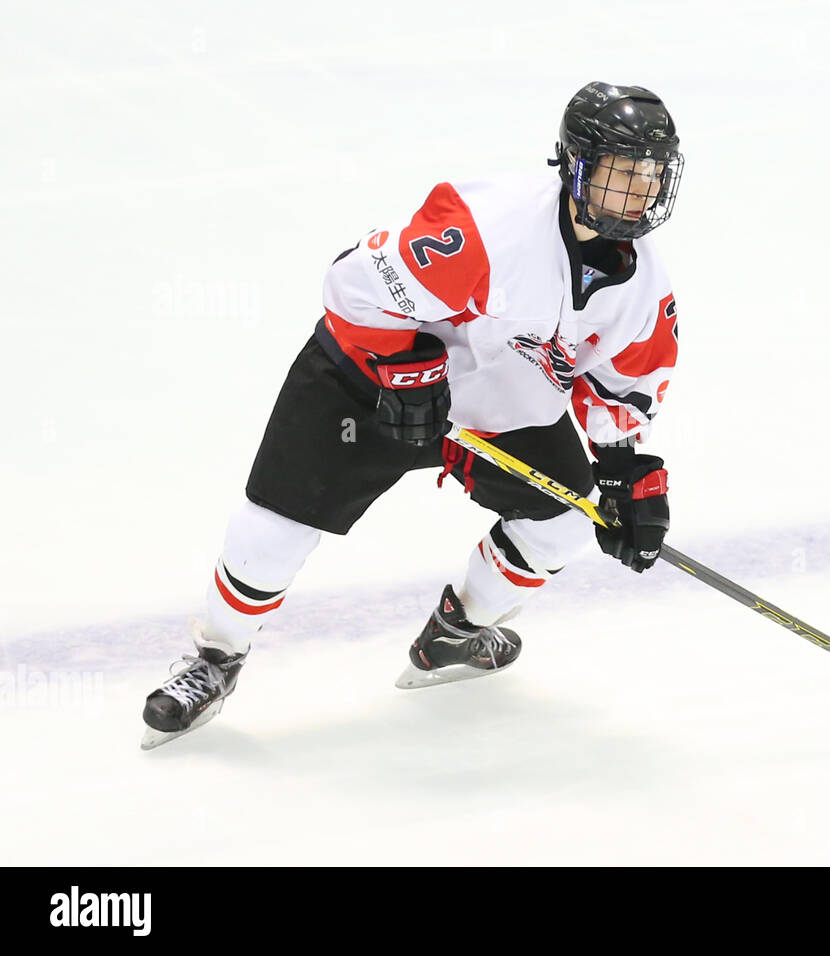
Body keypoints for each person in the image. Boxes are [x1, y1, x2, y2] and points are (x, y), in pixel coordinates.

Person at [140, 81, 684, 749]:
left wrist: (630, 476)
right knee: (272, 532)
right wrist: (409, 371)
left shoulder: (645, 290)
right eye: (622, 173)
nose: (640, 193)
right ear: (575, 166)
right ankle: (213, 661)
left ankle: (455, 633)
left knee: (569, 521)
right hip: (362, 380)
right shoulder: (488, 226)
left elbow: (622, 387)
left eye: (651, 176)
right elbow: (352, 283)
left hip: (494, 405)